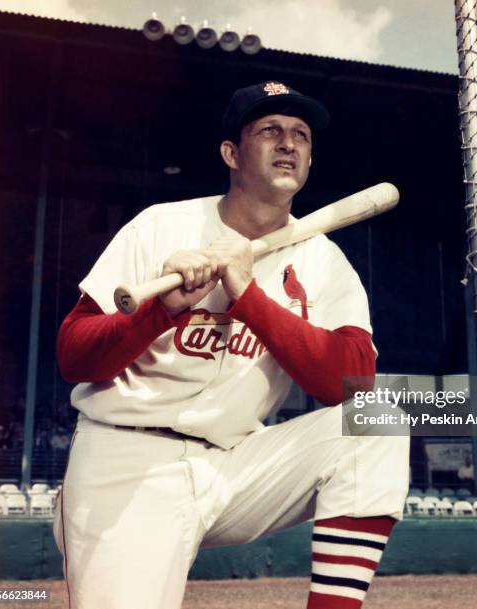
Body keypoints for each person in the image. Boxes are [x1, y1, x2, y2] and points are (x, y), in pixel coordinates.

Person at [54, 81, 409, 609]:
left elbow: (351, 382)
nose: (288, 143)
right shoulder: (161, 226)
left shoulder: (324, 261)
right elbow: (74, 355)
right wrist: (162, 310)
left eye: (301, 135)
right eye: (269, 131)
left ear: (309, 160)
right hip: (127, 458)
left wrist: (247, 295)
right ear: (231, 153)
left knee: (377, 418)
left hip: (236, 462)